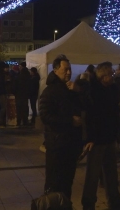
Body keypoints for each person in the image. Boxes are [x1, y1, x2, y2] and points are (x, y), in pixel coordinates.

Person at [81, 62, 120, 210]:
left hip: (109, 135)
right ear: (103, 76)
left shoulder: (112, 89)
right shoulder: (94, 90)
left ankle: (114, 199)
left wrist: (118, 108)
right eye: (109, 75)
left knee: (111, 172)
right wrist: (90, 138)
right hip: (97, 138)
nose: (112, 77)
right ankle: (88, 203)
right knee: (93, 174)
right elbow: (91, 116)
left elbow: (110, 111)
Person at [39, 54, 83, 201]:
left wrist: (79, 91)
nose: (69, 72)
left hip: (70, 144)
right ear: (56, 70)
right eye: (65, 69)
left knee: (67, 181)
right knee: (55, 182)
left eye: (70, 69)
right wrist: (70, 120)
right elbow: (45, 116)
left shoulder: (69, 90)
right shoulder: (50, 91)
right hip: (57, 145)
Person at [13, 62, 32, 126]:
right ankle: (25, 121)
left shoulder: (18, 76)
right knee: (25, 108)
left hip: (19, 94)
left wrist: (14, 92)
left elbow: (15, 86)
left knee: (19, 108)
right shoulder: (28, 75)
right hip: (25, 94)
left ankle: (19, 121)